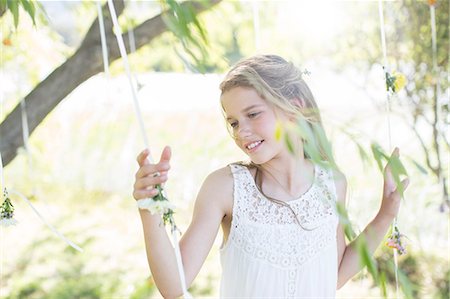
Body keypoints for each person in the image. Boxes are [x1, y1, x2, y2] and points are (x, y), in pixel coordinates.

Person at [132, 55, 409, 298]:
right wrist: (150, 206)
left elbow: (333, 276)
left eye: (253, 114)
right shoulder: (225, 188)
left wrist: (386, 213)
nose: (241, 132)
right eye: (234, 122)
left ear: (295, 108)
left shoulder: (332, 183)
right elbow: (174, 285)